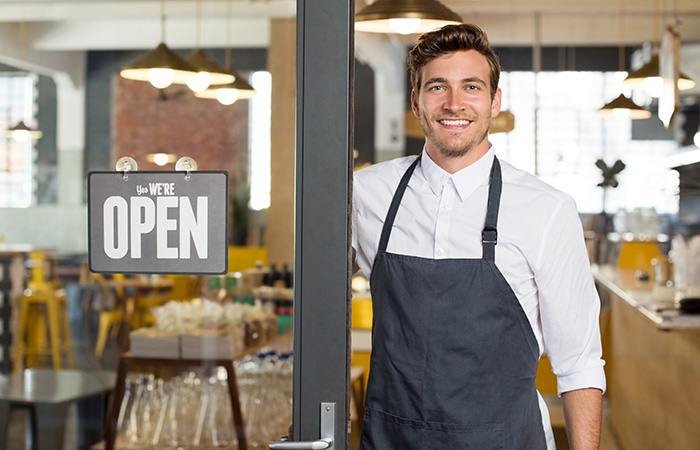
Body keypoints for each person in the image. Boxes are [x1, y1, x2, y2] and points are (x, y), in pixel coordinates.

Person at [352, 23, 605, 450]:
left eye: (471, 86)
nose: (454, 103)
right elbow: (319, 305)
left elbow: (578, 363)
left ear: (494, 101)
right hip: (391, 440)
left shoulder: (546, 209)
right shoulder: (365, 194)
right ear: (416, 102)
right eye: (437, 87)